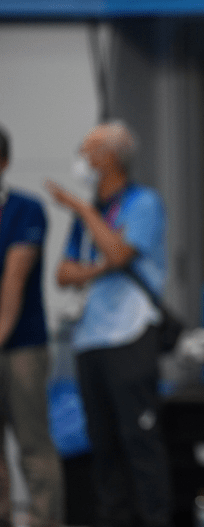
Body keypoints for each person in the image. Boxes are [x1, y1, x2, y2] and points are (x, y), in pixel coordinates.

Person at [46, 121, 173, 527]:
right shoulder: (94, 211)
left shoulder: (143, 203)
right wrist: (96, 263)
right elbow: (63, 274)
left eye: (88, 150)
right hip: (89, 338)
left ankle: (154, 519)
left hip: (130, 335)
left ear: (109, 158)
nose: (82, 159)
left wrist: (82, 210)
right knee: (102, 445)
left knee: (140, 440)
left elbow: (119, 253)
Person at [0, 125, 63, 527]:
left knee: (32, 443)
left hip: (21, 346)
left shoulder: (26, 209)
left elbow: (13, 282)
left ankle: (44, 519)